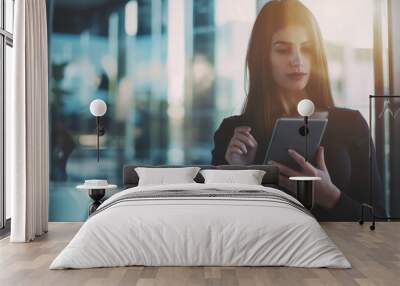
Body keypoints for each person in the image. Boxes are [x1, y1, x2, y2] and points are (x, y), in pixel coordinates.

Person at [211, 0, 384, 220]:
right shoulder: (233, 134)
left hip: (336, 252)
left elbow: (379, 220)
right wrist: (240, 176)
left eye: (307, 49)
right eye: (283, 50)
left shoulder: (350, 124)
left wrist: (330, 196)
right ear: (263, 58)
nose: (297, 60)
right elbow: (218, 226)